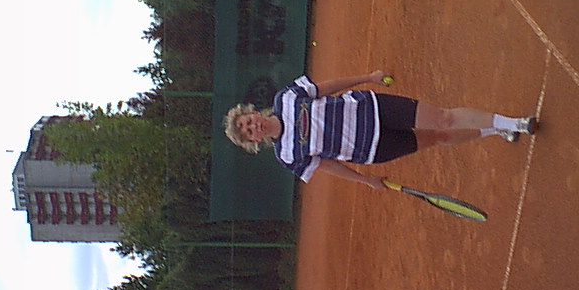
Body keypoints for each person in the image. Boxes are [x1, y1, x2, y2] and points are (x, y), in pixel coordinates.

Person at [223, 70, 538, 190]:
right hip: (373, 149)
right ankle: (494, 130)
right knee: (438, 137)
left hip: (373, 108)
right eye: (249, 132)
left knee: (442, 119)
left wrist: (367, 77)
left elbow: (327, 87)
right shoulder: (287, 156)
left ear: (252, 112)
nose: (253, 126)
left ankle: (513, 123)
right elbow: (328, 165)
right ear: (254, 141)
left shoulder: (286, 98)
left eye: (248, 121)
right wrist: (366, 180)